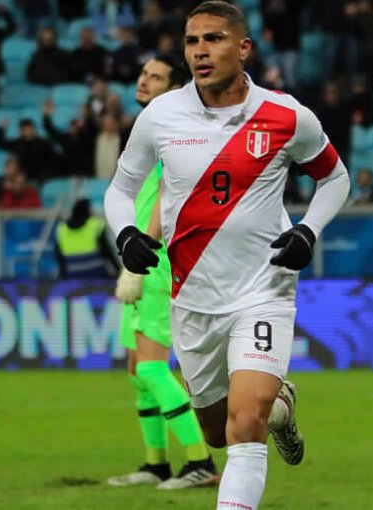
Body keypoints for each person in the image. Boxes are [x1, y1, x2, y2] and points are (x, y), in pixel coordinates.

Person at [103, 3, 350, 509]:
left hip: (264, 289)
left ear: (243, 48)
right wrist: (125, 232)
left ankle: (264, 414)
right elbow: (120, 189)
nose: (200, 51)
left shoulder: (285, 115)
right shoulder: (162, 115)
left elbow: (335, 177)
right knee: (216, 430)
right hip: (193, 298)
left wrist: (309, 229)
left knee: (244, 427)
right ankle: (282, 408)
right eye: (192, 41)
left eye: (213, 39)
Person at [105, 55, 223, 490]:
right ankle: (156, 463)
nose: (143, 80)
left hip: (155, 263)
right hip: (139, 259)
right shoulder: (149, 127)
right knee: (138, 370)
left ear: (174, 89)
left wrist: (145, 254)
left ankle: (201, 462)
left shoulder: (171, 129)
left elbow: (165, 196)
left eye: (155, 76)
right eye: (142, 73)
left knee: (153, 369)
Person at [54, 198, 119, 279]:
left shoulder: (61, 229)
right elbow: (106, 251)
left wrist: (64, 277)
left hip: (72, 274)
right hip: (96, 274)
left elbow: (59, 256)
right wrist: (118, 269)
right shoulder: (96, 225)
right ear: (88, 210)